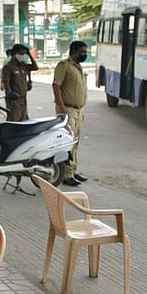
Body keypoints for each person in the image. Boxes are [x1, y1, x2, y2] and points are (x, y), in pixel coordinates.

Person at [52, 41, 89, 187]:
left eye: (85, 51)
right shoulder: (64, 65)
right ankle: (66, 174)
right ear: (73, 51)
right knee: (68, 142)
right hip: (68, 109)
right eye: (81, 51)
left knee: (76, 143)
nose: (84, 54)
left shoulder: (78, 66)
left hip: (79, 110)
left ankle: (73, 170)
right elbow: (56, 85)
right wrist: (61, 106)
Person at [1, 43, 38, 122]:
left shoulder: (23, 65)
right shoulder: (9, 67)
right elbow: (6, 83)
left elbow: (35, 67)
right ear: (15, 53)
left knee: (23, 121)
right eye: (21, 53)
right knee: (14, 121)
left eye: (24, 54)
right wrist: (11, 98)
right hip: (14, 100)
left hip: (23, 99)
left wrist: (30, 55)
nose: (23, 56)